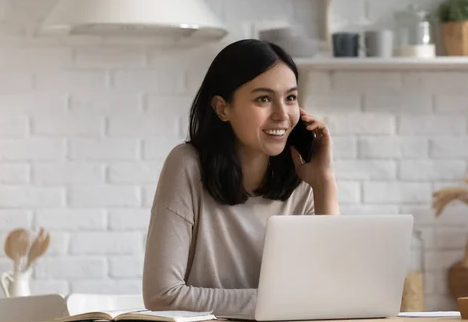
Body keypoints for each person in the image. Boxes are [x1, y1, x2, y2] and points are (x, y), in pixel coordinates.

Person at [142, 39, 340, 316]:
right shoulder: (187, 165)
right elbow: (162, 295)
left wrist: (324, 183)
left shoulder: (303, 176)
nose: (282, 114)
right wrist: (279, 303)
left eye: (291, 98)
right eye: (263, 99)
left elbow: (336, 292)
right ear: (223, 108)